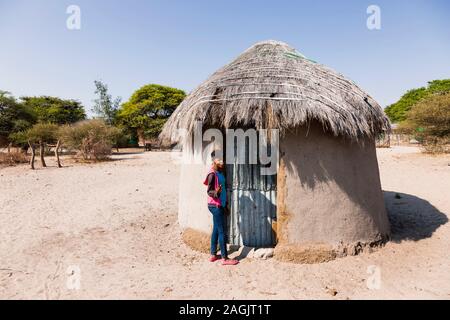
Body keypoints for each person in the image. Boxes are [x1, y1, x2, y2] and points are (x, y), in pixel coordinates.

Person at [203, 158, 239, 265]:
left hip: (220, 205)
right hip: (215, 205)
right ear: (214, 162)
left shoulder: (219, 172)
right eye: (220, 161)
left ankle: (213, 255)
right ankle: (225, 258)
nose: (222, 163)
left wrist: (225, 205)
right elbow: (209, 191)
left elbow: (222, 188)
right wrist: (216, 192)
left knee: (216, 229)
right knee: (222, 230)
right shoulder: (212, 174)